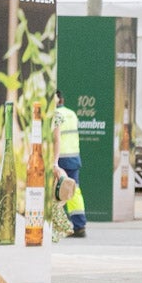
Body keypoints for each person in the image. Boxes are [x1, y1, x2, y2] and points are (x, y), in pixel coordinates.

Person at [52, 90, 87, 237]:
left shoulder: (55, 114)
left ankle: (58, 227)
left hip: (60, 158)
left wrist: (54, 161)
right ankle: (80, 225)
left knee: (56, 193)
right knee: (74, 190)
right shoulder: (72, 114)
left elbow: (56, 138)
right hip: (73, 157)